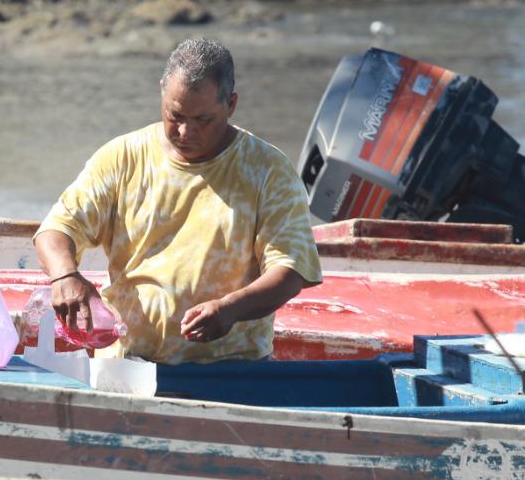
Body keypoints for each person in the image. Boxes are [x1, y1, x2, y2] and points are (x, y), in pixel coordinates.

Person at [33, 37, 321, 364]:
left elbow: (289, 270)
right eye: (175, 115)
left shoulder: (267, 170)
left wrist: (230, 310)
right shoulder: (122, 157)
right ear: (162, 93)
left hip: (231, 370)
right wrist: (65, 276)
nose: (185, 132)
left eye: (203, 120)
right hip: (127, 365)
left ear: (231, 105)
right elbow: (57, 229)